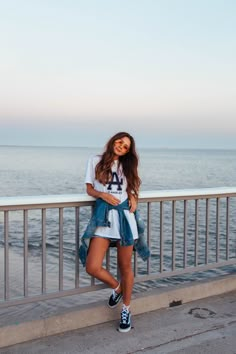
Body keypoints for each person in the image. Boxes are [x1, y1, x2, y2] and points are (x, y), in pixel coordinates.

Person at [79, 132, 150, 333]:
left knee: (125, 266)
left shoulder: (127, 165)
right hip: (104, 219)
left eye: (126, 146)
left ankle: (126, 309)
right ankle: (117, 288)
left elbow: (132, 187)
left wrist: (134, 196)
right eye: (120, 142)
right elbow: (89, 188)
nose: (121, 146)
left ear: (128, 151)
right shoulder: (95, 160)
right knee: (92, 266)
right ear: (113, 141)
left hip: (125, 219)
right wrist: (102, 194)